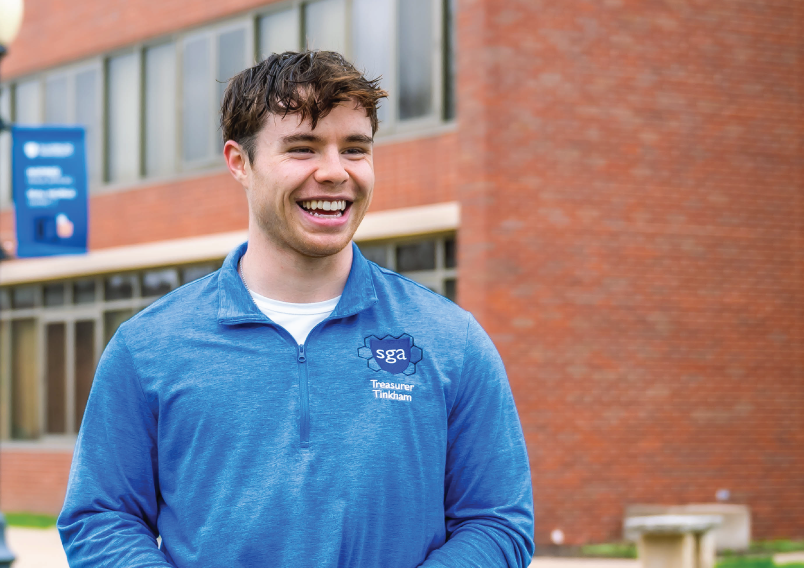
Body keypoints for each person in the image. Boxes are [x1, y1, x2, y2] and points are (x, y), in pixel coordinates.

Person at [57, 51, 534, 567]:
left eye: (355, 149)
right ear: (240, 162)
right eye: (302, 148)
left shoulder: (450, 340)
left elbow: (497, 523)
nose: (334, 172)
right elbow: (101, 519)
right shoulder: (148, 347)